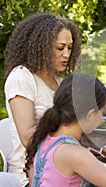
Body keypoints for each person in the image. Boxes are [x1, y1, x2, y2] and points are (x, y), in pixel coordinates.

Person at [25, 73, 106, 187]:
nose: (102, 118)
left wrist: (85, 157)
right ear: (90, 115)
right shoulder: (73, 153)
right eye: (102, 112)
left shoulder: (44, 137)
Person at [3, 12, 82, 186]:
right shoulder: (22, 78)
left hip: (61, 164)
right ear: (42, 47)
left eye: (70, 47)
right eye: (60, 48)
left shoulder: (58, 80)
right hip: (32, 175)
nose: (67, 54)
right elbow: (28, 137)